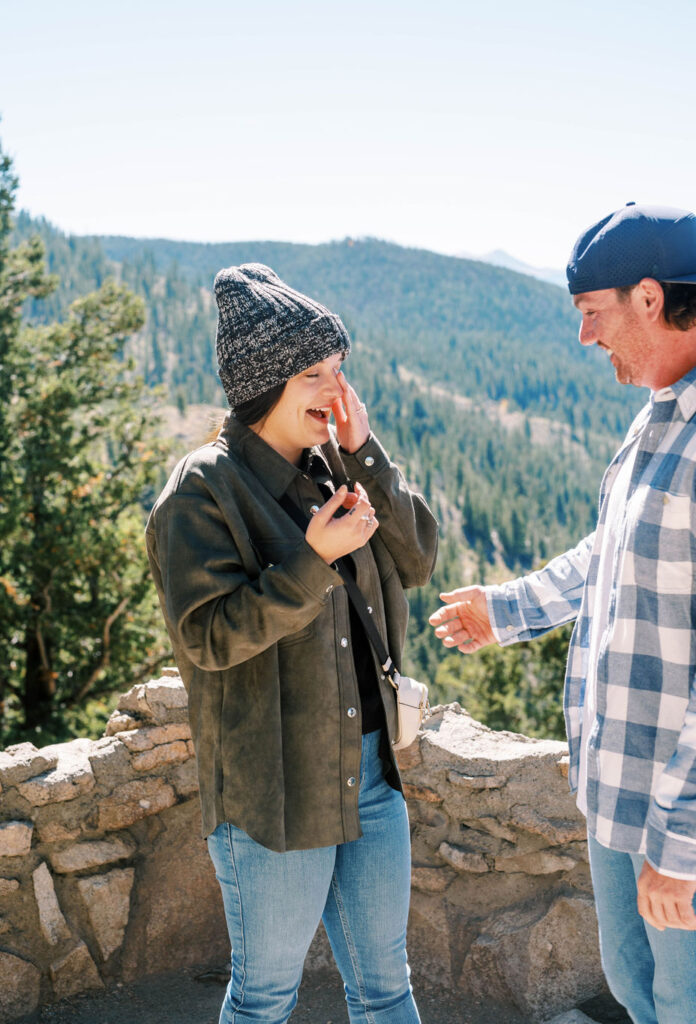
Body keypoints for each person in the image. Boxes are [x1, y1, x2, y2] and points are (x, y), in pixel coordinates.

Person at [146, 263, 437, 1024]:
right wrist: (312, 563)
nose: (336, 389)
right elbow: (208, 638)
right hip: (272, 796)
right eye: (314, 371)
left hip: (371, 779)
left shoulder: (337, 463)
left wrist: (368, 451)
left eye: (339, 367)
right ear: (263, 383)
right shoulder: (200, 491)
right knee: (265, 997)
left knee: (387, 990)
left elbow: (417, 560)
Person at [429, 203, 696, 1024]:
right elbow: (608, 553)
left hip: (673, 809)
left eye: (592, 315)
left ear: (649, 299)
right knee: (639, 992)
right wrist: (505, 610)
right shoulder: (658, 417)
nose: (586, 339)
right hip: (619, 789)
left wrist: (682, 846)